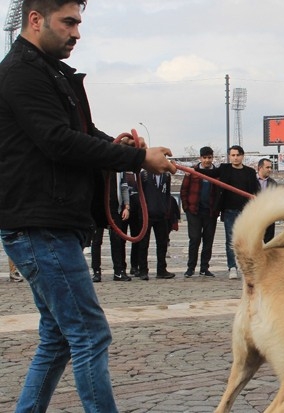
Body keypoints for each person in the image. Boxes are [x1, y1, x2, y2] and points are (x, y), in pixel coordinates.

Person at [0, 1, 175, 411]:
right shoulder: (23, 74)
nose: (77, 33)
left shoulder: (45, 72)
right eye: (69, 22)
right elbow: (58, 141)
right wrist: (136, 159)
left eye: (78, 23)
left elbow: (77, 133)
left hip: (46, 222)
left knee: (59, 337)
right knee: (89, 334)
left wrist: (114, 144)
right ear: (36, 19)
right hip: (40, 224)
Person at [202, 145, 259, 279]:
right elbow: (209, 174)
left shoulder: (250, 172)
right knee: (231, 240)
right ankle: (232, 267)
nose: (235, 158)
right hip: (229, 211)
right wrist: (193, 170)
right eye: (232, 155)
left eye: (237, 155)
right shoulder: (224, 169)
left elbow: (255, 191)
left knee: (247, 240)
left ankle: (248, 267)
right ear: (229, 157)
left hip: (246, 212)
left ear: (242, 156)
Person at [181, 146, 218, 278]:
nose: (207, 160)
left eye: (209, 157)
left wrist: (216, 209)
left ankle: (204, 267)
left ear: (212, 158)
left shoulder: (217, 173)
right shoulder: (192, 172)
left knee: (208, 241)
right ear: (200, 158)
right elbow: (184, 191)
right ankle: (190, 268)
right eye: (205, 158)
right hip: (194, 211)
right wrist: (187, 208)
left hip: (210, 212)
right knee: (195, 239)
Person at [137, 171, 176, 280]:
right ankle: (143, 270)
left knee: (162, 243)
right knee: (144, 243)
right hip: (146, 214)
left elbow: (168, 194)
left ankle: (161, 269)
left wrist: (166, 209)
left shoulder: (166, 176)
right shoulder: (144, 175)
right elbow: (139, 193)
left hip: (161, 214)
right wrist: (142, 210)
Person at [106, 172, 133, 281]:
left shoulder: (120, 171)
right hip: (100, 207)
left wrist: (126, 206)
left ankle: (119, 270)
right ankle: (96, 271)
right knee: (96, 240)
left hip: (115, 208)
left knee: (117, 239)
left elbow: (124, 187)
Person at [256, 158, 278, 243]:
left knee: (269, 241)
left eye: (270, 167)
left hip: (269, 216)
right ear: (260, 168)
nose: (270, 170)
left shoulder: (273, 183)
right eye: (267, 167)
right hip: (254, 215)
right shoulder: (251, 180)